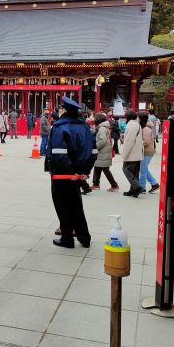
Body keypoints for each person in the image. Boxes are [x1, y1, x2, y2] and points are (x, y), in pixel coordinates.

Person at [45, 97, 97, 249]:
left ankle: (67, 238)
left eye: (60, 108)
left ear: (64, 111)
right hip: (78, 173)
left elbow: (59, 154)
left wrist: (71, 172)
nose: (58, 111)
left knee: (63, 207)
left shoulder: (60, 128)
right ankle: (84, 237)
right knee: (76, 206)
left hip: (62, 175)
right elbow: (94, 152)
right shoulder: (86, 128)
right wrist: (84, 172)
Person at [92, 113, 119, 192]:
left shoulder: (102, 129)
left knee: (105, 169)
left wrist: (96, 147)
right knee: (97, 167)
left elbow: (103, 140)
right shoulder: (104, 127)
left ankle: (114, 185)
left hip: (102, 151)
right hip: (104, 151)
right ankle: (95, 184)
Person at [120, 110, 144, 197]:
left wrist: (124, 154)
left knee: (126, 169)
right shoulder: (137, 124)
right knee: (134, 173)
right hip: (137, 152)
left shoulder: (131, 125)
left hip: (132, 153)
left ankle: (137, 187)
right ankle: (133, 190)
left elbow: (129, 142)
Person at [138, 112, 160, 194]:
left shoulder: (146, 129)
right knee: (144, 169)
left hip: (146, 152)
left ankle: (142, 187)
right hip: (147, 152)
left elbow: (146, 142)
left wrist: (136, 143)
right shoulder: (145, 127)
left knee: (142, 170)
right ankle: (154, 184)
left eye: (138, 118)